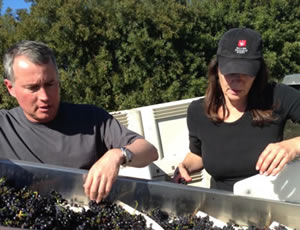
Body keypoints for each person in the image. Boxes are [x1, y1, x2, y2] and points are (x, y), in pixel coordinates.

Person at [1, 40, 158, 202]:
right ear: (10, 88)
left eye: (50, 84)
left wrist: (117, 155)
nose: (45, 97)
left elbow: (149, 151)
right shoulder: (3, 127)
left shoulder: (91, 118)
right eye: (32, 88)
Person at [174, 27, 300, 192]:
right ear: (216, 69)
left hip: (270, 205)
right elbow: (199, 155)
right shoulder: (198, 112)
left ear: (258, 72)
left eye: (246, 73)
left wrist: (294, 145)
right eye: (230, 71)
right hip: (221, 207)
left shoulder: (278, 96)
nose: (237, 81)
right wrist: (185, 166)